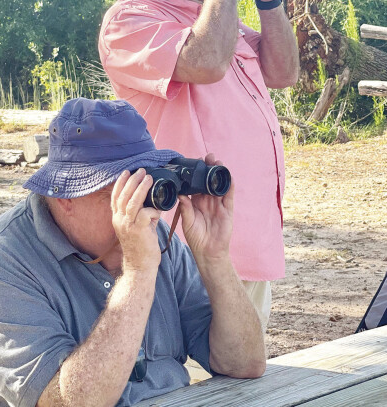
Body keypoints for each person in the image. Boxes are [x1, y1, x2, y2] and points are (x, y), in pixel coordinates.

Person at [0, 98, 266, 407]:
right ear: (65, 198)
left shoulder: (154, 238)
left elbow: (244, 364)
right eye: (123, 195)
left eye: (146, 191)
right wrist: (137, 274)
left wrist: (215, 258)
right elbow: (69, 403)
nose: (141, 212)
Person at [98, 0, 300, 330]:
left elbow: (285, 72)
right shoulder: (127, 21)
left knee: (246, 375)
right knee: (193, 380)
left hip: (249, 245)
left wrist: (271, 5)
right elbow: (207, 62)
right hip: (187, 254)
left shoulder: (221, 21)